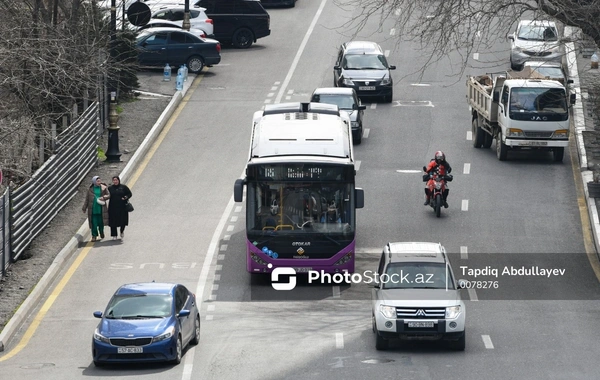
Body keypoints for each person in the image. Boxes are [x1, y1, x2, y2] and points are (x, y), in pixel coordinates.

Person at [82, 176, 110, 242]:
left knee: (101, 222)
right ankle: (94, 236)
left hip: (101, 209)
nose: (99, 182)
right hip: (93, 209)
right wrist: (84, 208)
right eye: (97, 181)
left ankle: (101, 232)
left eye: (99, 181)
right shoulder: (90, 189)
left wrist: (103, 197)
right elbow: (87, 199)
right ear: (94, 182)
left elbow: (108, 195)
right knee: (93, 223)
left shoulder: (103, 188)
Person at [108, 176, 133, 241]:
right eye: (114, 180)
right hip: (113, 208)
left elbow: (129, 194)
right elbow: (106, 194)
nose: (115, 181)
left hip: (122, 207)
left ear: (119, 180)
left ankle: (122, 231)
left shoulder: (123, 187)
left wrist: (125, 197)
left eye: (116, 180)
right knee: (113, 221)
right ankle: (114, 235)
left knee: (123, 221)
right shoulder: (110, 188)